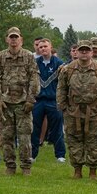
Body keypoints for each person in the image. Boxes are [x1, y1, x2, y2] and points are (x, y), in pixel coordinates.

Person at [59, 40, 97, 178]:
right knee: (74, 141)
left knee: (94, 142)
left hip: (94, 112)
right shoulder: (68, 69)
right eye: (81, 50)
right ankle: (77, 170)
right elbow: (61, 90)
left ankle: (93, 172)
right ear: (76, 52)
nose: (84, 52)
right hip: (73, 112)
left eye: (86, 50)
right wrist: (64, 108)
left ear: (91, 52)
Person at [0, 26, 40, 176]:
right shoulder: (0, 57)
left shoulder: (28, 56)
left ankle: (26, 166)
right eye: (11, 37)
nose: (13, 40)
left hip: (23, 102)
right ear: (6, 39)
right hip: (6, 103)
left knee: (25, 136)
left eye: (16, 37)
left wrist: (31, 99)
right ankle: (10, 165)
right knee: (6, 137)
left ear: (21, 39)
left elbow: (34, 77)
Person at [30, 36, 66, 165]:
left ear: (51, 47)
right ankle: (32, 155)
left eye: (45, 46)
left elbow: (64, 84)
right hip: (38, 101)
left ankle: (60, 155)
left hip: (53, 101)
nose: (43, 49)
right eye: (40, 47)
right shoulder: (35, 63)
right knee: (34, 129)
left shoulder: (59, 63)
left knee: (57, 129)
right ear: (37, 49)